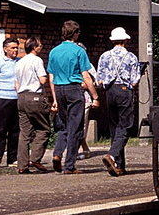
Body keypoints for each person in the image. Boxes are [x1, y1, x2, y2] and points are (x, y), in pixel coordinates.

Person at [47, 20, 98, 174]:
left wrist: (54, 97)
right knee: (75, 127)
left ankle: (57, 153)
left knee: (63, 124)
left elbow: (51, 75)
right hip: (74, 89)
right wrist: (95, 96)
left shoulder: (54, 51)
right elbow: (86, 76)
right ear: (75, 34)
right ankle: (69, 164)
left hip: (59, 88)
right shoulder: (79, 51)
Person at [94, 26, 145, 177]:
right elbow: (135, 80)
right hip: (124, 91)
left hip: (110, 92)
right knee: (126, 126)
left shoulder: (104, 56)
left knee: (115, 127)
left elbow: (99, 80)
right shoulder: (130, 57)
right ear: (125, 41)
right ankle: (112, 154)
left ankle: (119, 165)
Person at [13, 37, 53, 173]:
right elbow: (42, 80)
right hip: (34, 96)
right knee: (44, 128)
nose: (41, 47)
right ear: (34, 47)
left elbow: (16, 83)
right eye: (40, 45)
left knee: (24, 132)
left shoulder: (19, 62)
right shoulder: (37, 60)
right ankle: (35, 158)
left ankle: (22, 165)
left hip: (21, 97)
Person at [0, 37, 21, 167]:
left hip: (16, 99)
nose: (15, 50)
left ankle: (12, 158)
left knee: (15, 129)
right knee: (0, 129)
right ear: (5, 49)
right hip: (2, 99)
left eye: (17, 48)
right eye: (12, 48)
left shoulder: (20, 62)